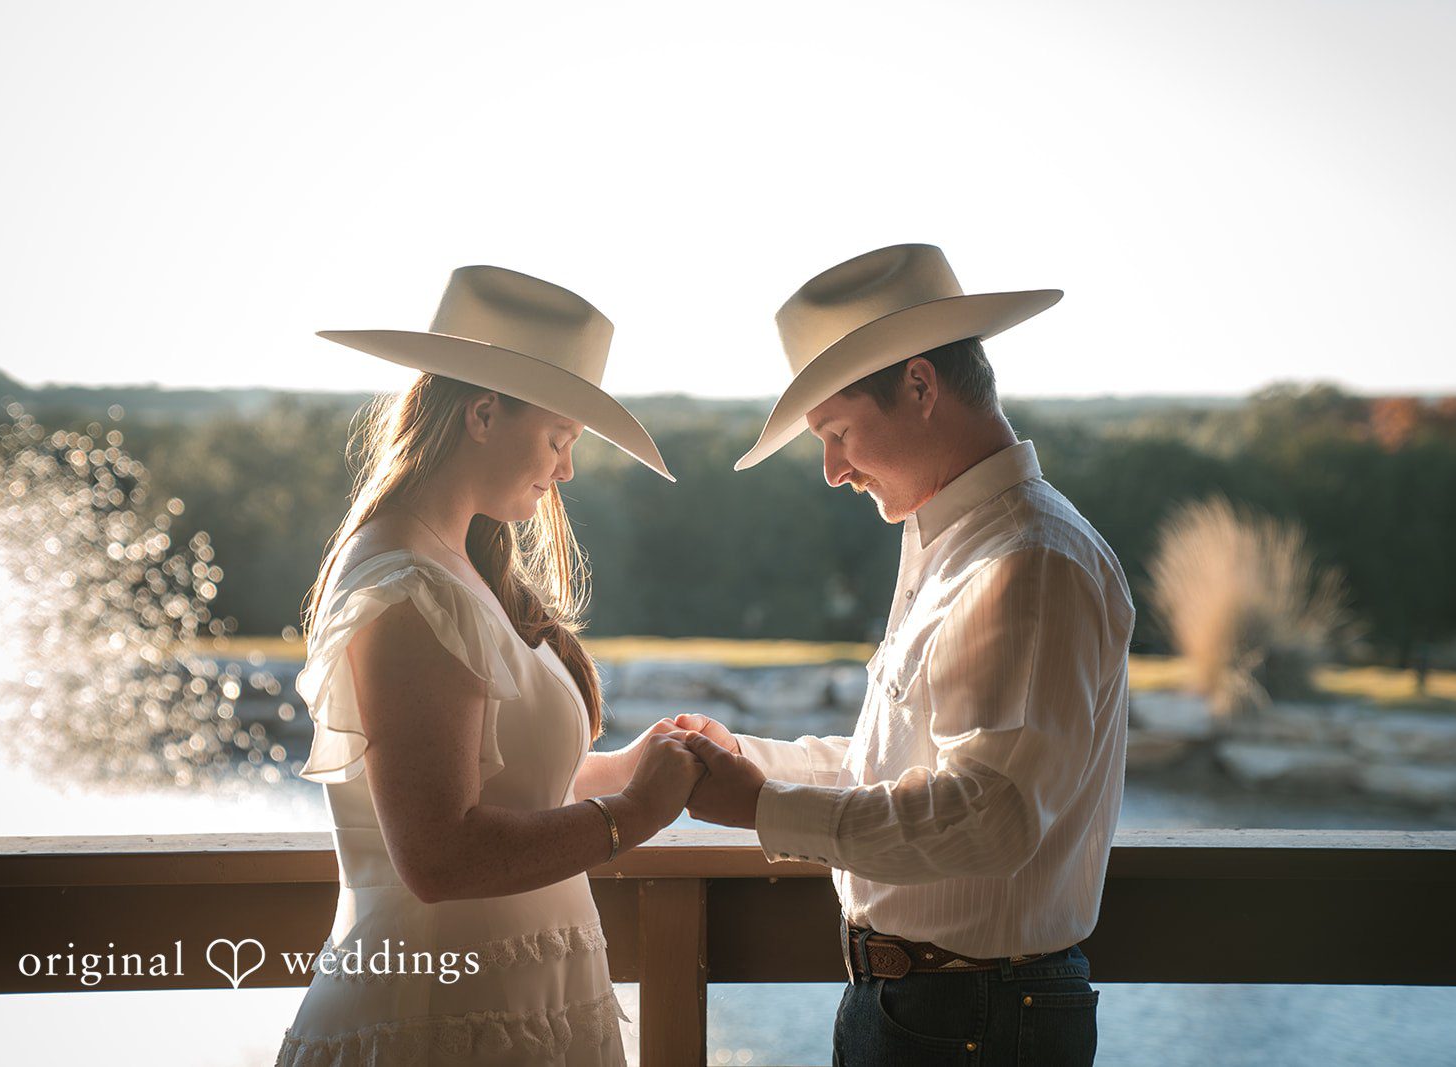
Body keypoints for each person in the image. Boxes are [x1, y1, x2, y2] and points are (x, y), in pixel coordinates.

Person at [678, 244, 1136, 1066]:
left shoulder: (1027, 562)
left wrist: (764, 808)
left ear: (921, 386)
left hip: (974, 1019)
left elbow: (991, 817)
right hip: (933, 1008)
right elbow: (902, 769)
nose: (832, 470)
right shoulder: (962, 545)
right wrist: (747, 763)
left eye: (838, 432)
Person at [275, 265, 706, 1066]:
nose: (565, 469)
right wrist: (633, 814)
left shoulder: (455, 564)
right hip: (438, 1021)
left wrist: (629, 769)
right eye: (559, 438)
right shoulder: (407, 587)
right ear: (482, 414)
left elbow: (501, 784)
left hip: (513, 1008)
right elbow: (440, 854)